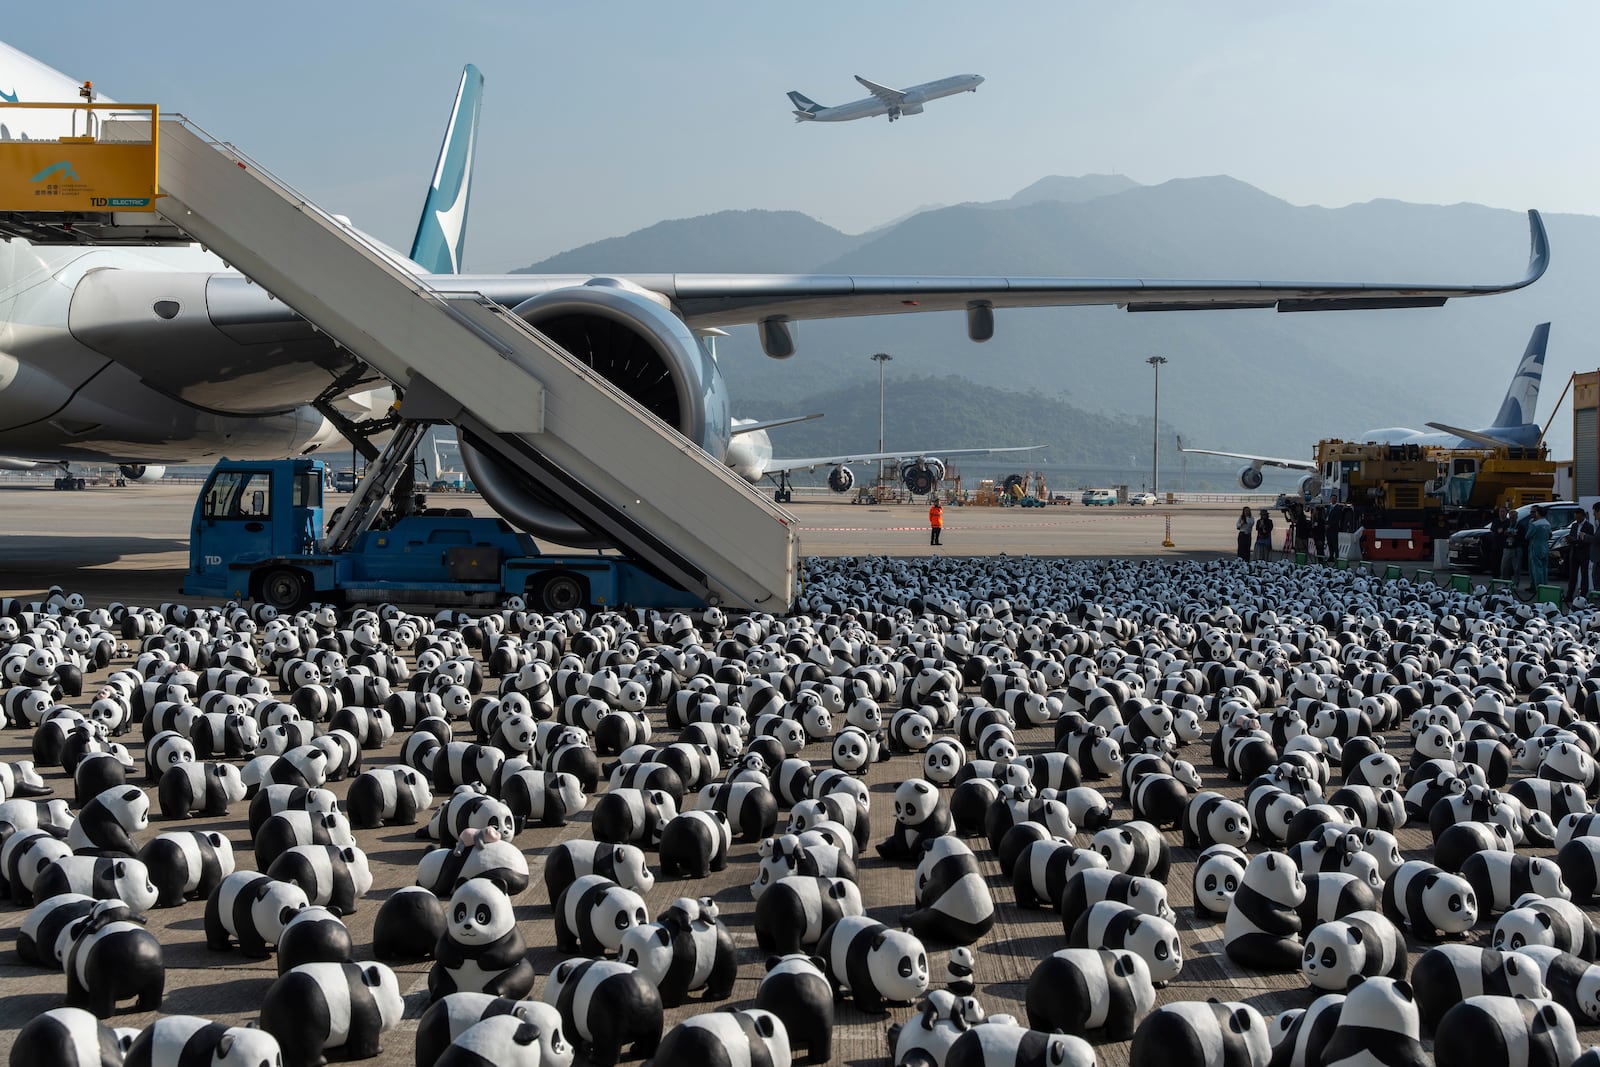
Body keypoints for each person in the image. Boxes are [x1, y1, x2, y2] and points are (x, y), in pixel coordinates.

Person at [1569, 509, 1596, 604]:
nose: (1576, 518)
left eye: (1578, 516)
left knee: (1584, 574)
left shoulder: (1589, 526)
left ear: (1583, 516)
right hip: (1574, 552)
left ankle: (1583, 594)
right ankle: (1569, 594)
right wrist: (1570, 540)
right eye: (1575, 516)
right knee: (1572, 574)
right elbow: (1571, 535)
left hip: (1584, 553)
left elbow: (1589, 540)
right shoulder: (1574, 525)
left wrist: (1576, 541)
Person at [1527, 505, 1553, 590]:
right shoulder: (1547, 523)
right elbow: (1550, 535)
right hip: (1545, 547)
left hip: (1536, 547)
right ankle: (1545, 586)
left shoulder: (1535, 524)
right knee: (1545, 568)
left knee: (1537, 569)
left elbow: (1527, 536)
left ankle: (1539, 587)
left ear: (1538, 513)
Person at [1488, 505, 1513, 578]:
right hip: (1496, 544)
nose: (1501, 513)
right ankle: (1495, 576)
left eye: (1503, 511)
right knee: (1495, 561)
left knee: (1505, 563)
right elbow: (1493, 531)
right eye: (1500, 512)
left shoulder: (1508, 522)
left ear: (1506, 513)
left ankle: (1506, 576)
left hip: (1505, 545)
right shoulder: (1495, 521)